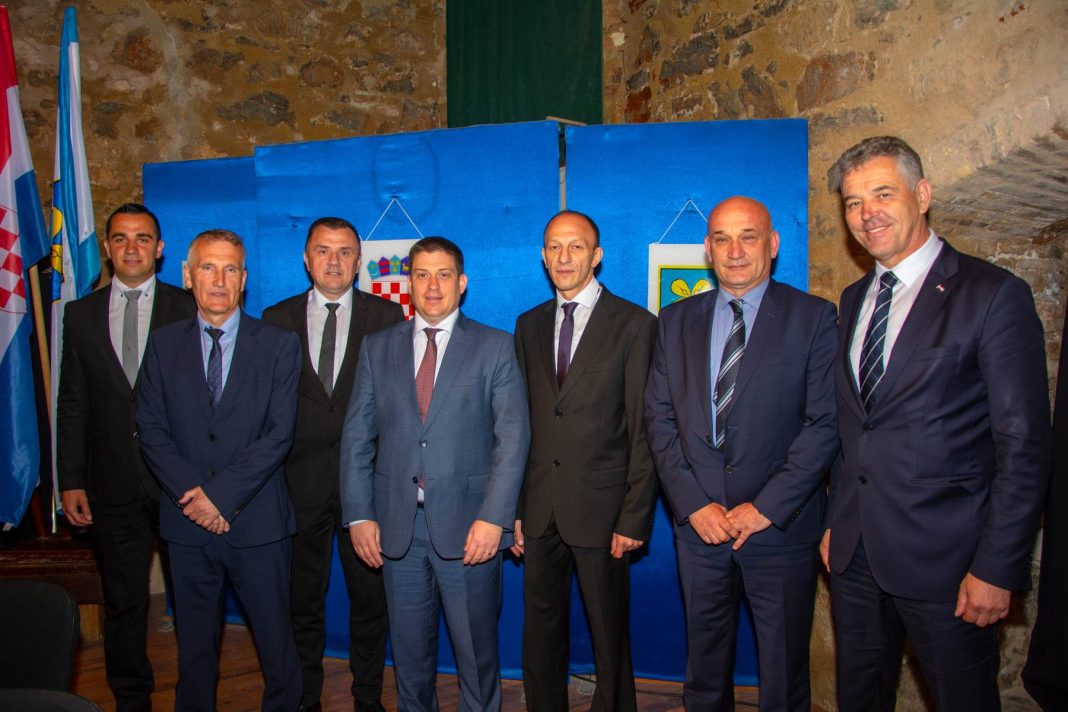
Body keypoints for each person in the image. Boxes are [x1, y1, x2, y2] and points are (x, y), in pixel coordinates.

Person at [823, 135, 1051, 711]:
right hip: (855, 559)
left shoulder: (992, 295)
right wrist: (835, 524)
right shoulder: (852, 299)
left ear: (922, 195)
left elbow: (1024, 445)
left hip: (950, 566)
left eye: (883, 194)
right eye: (853, 202)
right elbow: (854, 431)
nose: (867, 213)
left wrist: (997, 567)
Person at [645, 196, 838, 712]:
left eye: (748, 237)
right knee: (705, 673)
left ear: (772, 244)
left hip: (779, 529)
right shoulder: (674, 320)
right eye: (722, 239)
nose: (735, 251)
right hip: (700, 529)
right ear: (707, 249)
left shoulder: (814, 318)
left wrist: (766, 508)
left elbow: (824, 424)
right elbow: (659, 420)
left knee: (784, 675)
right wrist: (693, 504)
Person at [341, 236, 529, 712]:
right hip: (397, 530)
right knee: (409, 661)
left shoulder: (495, 347)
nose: (432, 286)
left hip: (471, 530)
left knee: (476, 659)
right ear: (409, 283)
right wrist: (359, 515)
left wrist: (495, 518)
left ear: (461, 283)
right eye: (422, 275)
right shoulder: (377, 348)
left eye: (443, 275)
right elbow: (357, 438)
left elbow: (512, 440)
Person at [136, 229, 303, 712]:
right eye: (208, 267)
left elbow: (278, 435)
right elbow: (150, 429)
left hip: (258, 525)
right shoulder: (162, 345)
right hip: (186, 525)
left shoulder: (279, 345)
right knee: (193, 652)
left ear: (244, 279)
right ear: (187, 276)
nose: (219, 279)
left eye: (230, 269)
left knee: (277, 648)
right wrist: (194, 496)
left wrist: (219, 497)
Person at [512, 210, 657, 711]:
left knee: (608, 634)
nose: (564, 256)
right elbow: (523, 425)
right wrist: (516, 509)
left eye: (575, 246)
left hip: (604, 511)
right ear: (543, 256)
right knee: (539, 632)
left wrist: (634, 515)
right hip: (539, 510)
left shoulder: (634, 325)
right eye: (554, 246)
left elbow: (643, 429)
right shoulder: (528, 325)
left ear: (597, 256)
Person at [57, 203, 196, 712]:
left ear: (160, 249)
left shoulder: (189, 307)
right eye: (121, 238)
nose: (132, 248)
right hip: (110, 485)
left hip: (180, 485)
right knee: (123, 601)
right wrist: (70, 478)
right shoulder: (80, 315)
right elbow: (73, 402)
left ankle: (194, 693)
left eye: (143, 238)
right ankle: (131, 699)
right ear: (108, 248)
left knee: (193, 600)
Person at [262, 217, 403, 712]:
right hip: (297, 487)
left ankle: (368, 697)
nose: (334, 261)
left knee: (371, 603)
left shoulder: (388, 317)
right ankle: (305, 697)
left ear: (359, 261)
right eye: (323, 250)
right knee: (301, 602)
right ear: (307, 259)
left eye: (345, 252)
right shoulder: (275, 318)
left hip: (367, 491)